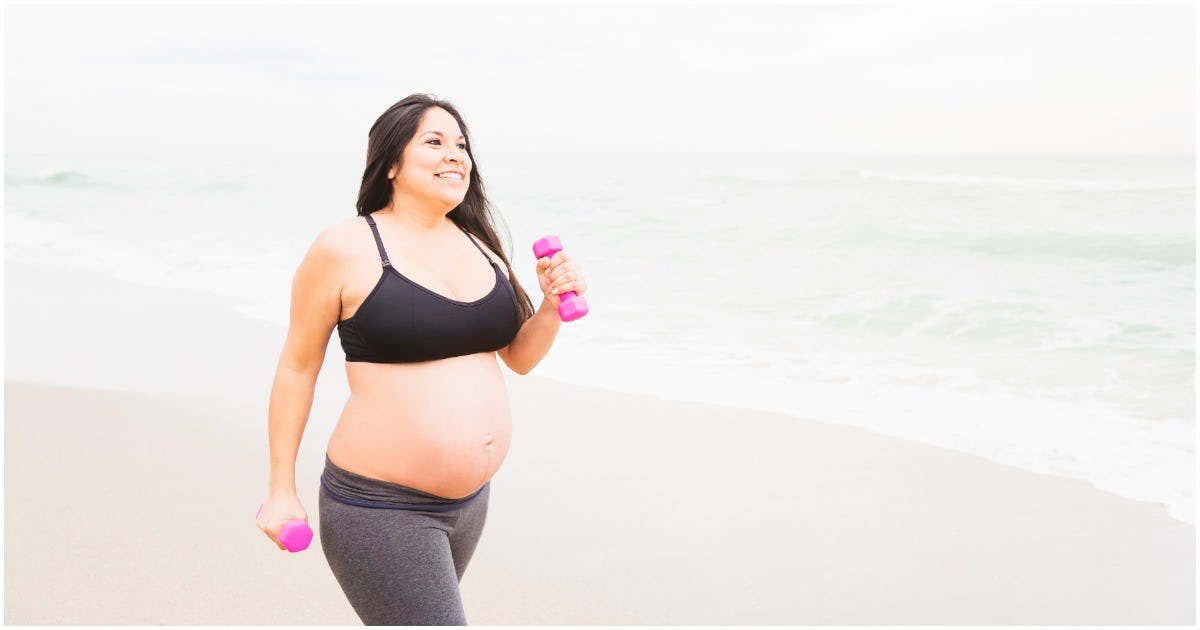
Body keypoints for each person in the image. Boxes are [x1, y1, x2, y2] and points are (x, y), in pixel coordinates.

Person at [255, 93, 587, 625]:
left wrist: (549, 306)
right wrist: (279, 490)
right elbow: (298, 366)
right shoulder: (344, 247)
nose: (455, 154)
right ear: (390, 163)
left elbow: (518, 358)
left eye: (461, 145)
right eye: (433, 142)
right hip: (382, 509)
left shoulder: (480, 242)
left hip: (470, 504)